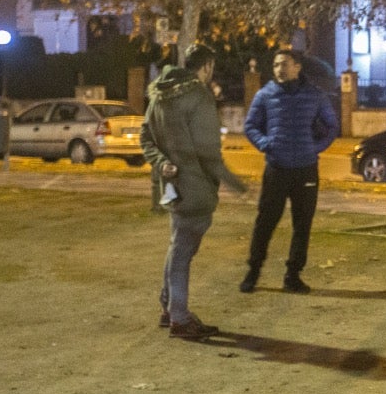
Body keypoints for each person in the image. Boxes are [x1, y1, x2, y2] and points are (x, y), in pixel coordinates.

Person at [141, 43, 247, 340]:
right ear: (207, 66)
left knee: (177, 247)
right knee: (183, 253)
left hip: (173, 188)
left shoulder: (158, 95)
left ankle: (169, 307)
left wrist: (161, 164)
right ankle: (179, 317)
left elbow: (145, 137)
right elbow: (209, 153)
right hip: (196, 187)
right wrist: (234, 183)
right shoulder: (199, 95)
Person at [240, 49, 338, 295]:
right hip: (277, 167)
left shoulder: (314, 95)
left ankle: (293, 275)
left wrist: (315, 148)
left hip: (306, 169)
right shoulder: (265, 95)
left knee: (302, 224)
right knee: (265, 221)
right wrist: (265, 144)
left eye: (284, 64)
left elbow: (332, 126)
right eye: (275, 65)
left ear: (297, 67)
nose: (279, 69)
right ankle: (253, 270)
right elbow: (250, 125)